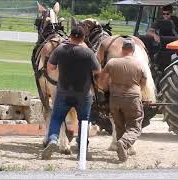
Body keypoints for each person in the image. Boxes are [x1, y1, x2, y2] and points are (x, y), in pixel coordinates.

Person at [42, 26, 101, 160]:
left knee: (57, 118)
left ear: (70, 36)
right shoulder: (88, 53)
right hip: (84, 94)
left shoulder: (60, 50)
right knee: (83, 121)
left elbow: (50, 67)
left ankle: (52, 139)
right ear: (83, 38)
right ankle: (82, 149)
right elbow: (98, 71)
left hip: (63, 91)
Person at [103, 38, 147, 162]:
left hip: (115, 99)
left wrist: (106, 89)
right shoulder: (139, 64)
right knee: (135, 126)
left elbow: (102, 79)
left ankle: (122, 150)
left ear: (122, 50)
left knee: (119, 125)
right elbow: (143, 82)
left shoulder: (112, 62)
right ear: (133, 50)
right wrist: (139, 91)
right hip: (132, 98)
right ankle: (124, 142)